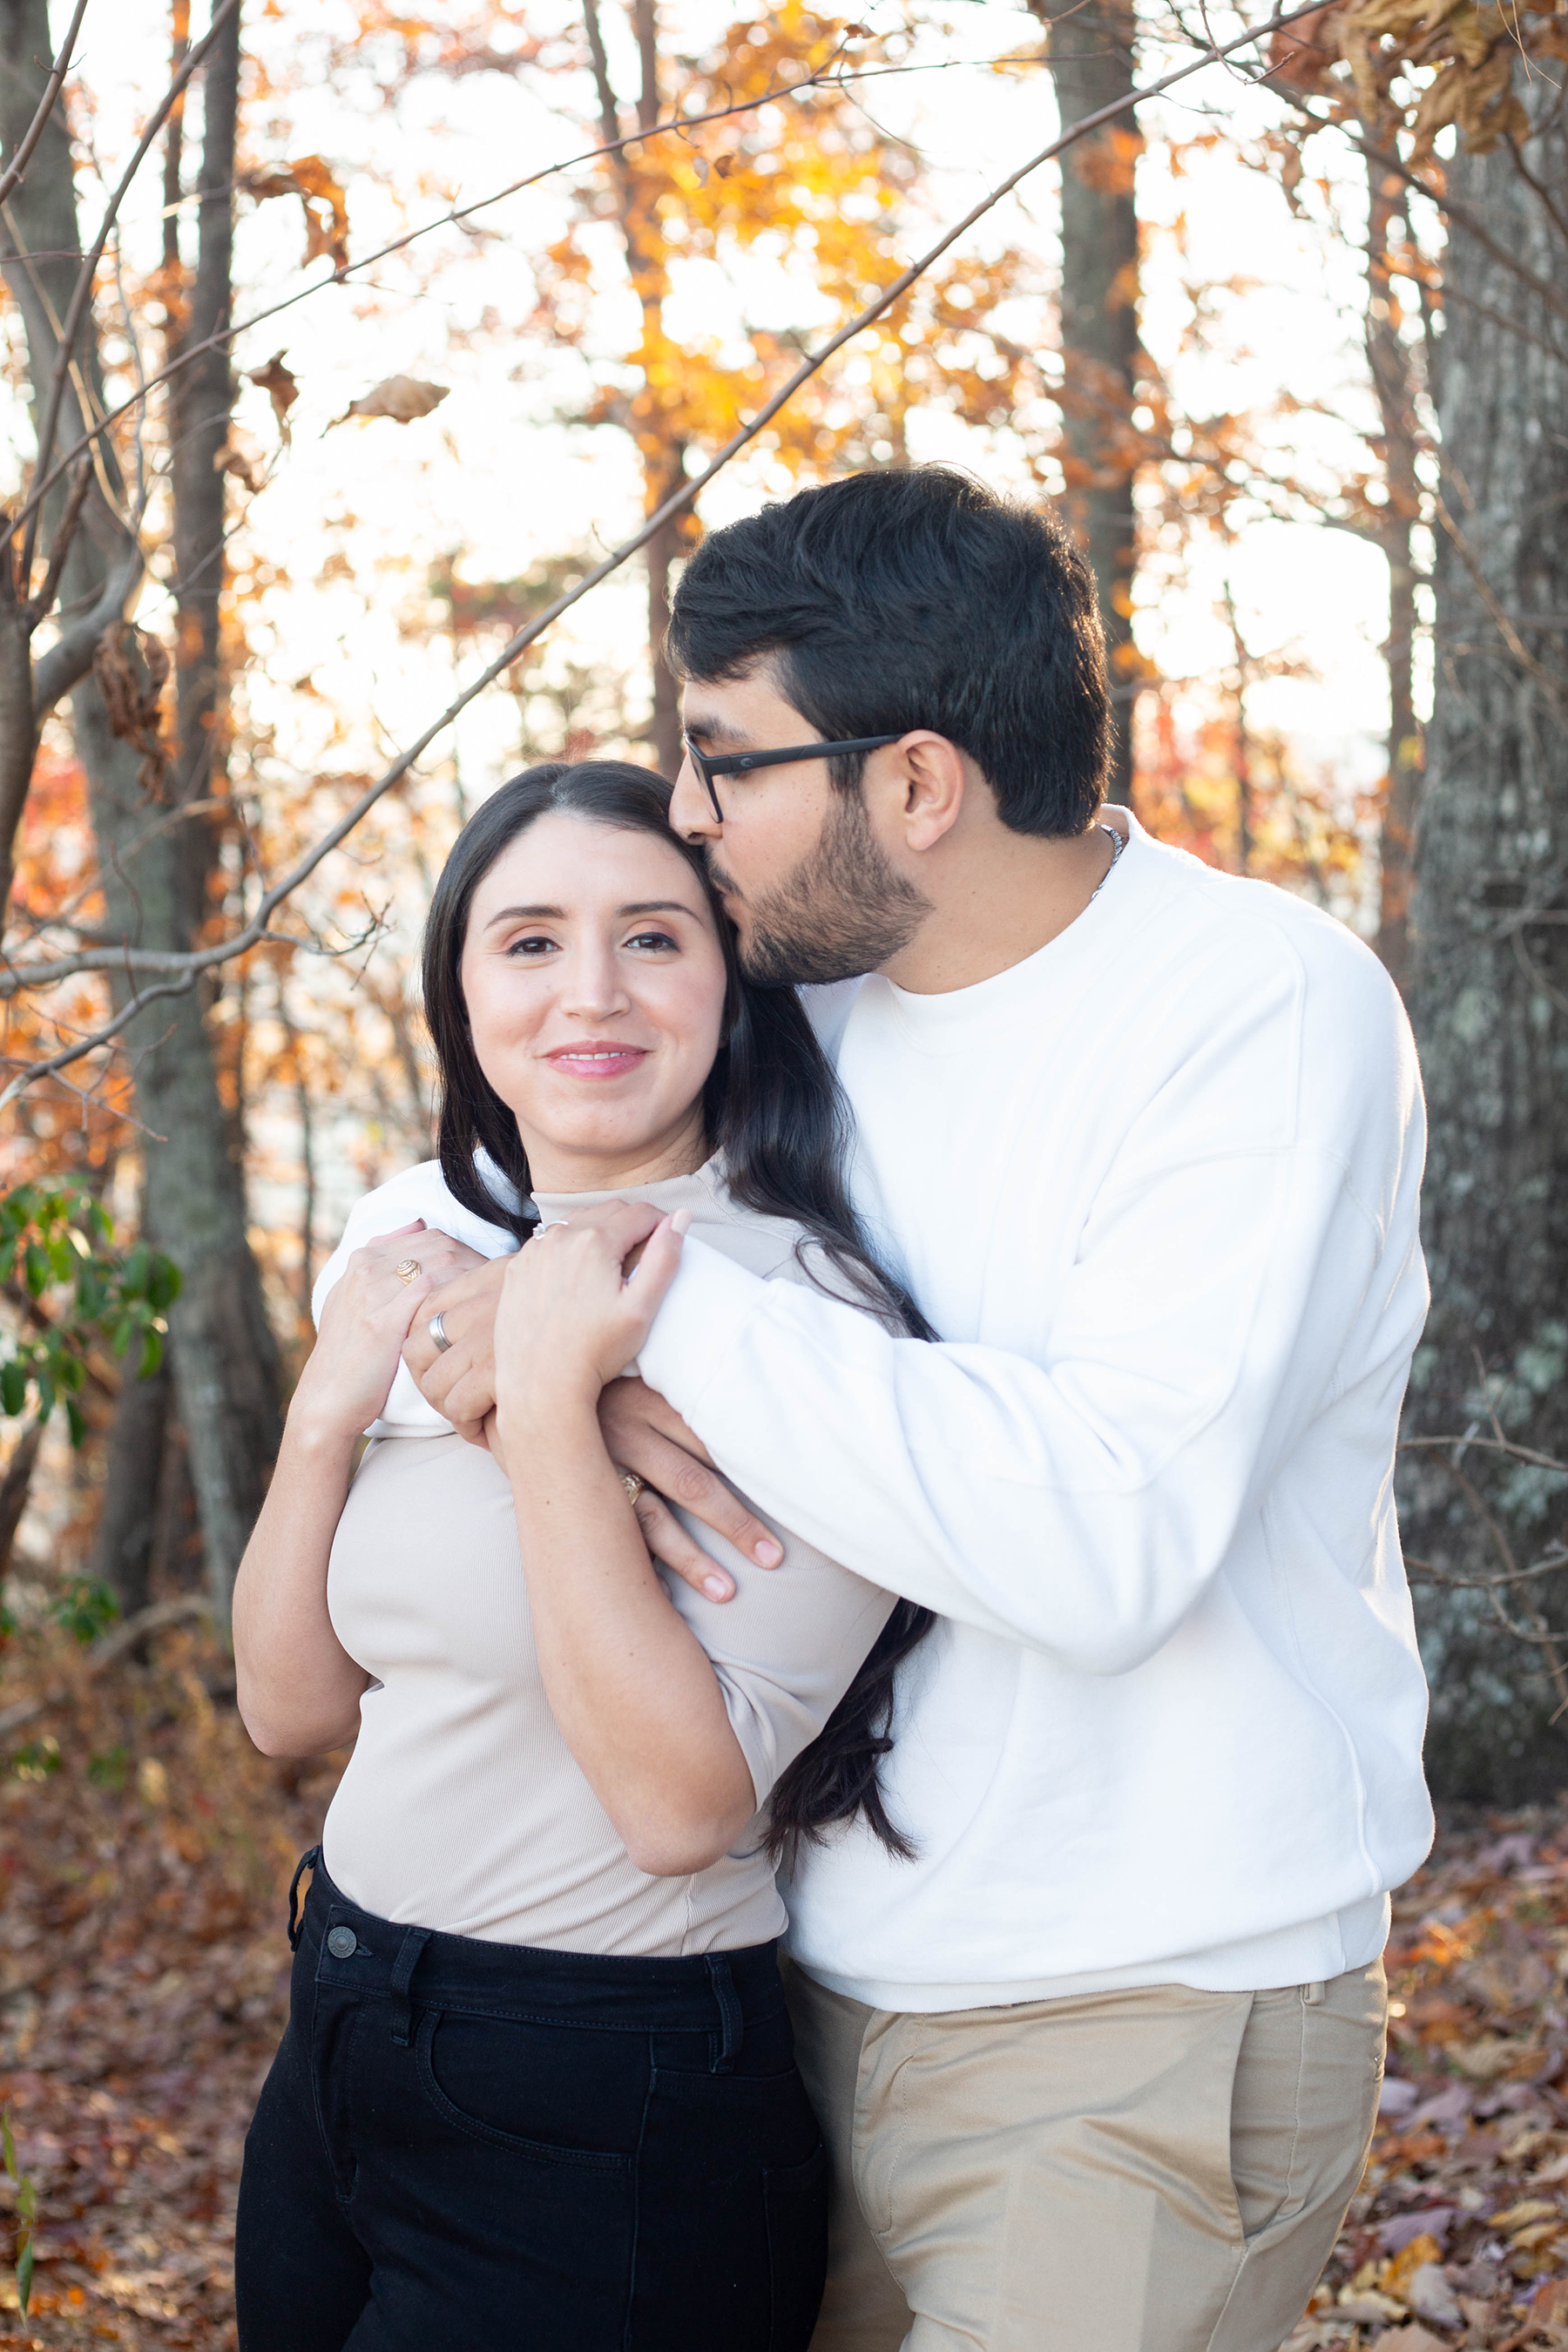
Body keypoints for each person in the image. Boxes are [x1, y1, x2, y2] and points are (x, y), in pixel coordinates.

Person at [395, 465, 1433, 2352]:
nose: (688, 819)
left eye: (725, 765)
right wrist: (527, 1338)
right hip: (788, 1987)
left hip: (1139, 2009)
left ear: (919, 786)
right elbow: (521, 1182)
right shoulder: (822, 996)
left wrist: (641, 1320)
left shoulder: (1258, 1011)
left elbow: (1101, 1540)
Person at [229, 759, 939, 2352]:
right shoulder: (423, 1255)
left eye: (655, 938)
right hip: (340, 2018)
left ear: (730, 981)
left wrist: (551, 1402)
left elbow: (682, 1811)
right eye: (531, 941)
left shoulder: (799, 1316)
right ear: (462, 989)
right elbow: (288, 1712)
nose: (591, 993)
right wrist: (329, 1408)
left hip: (597, 2087)